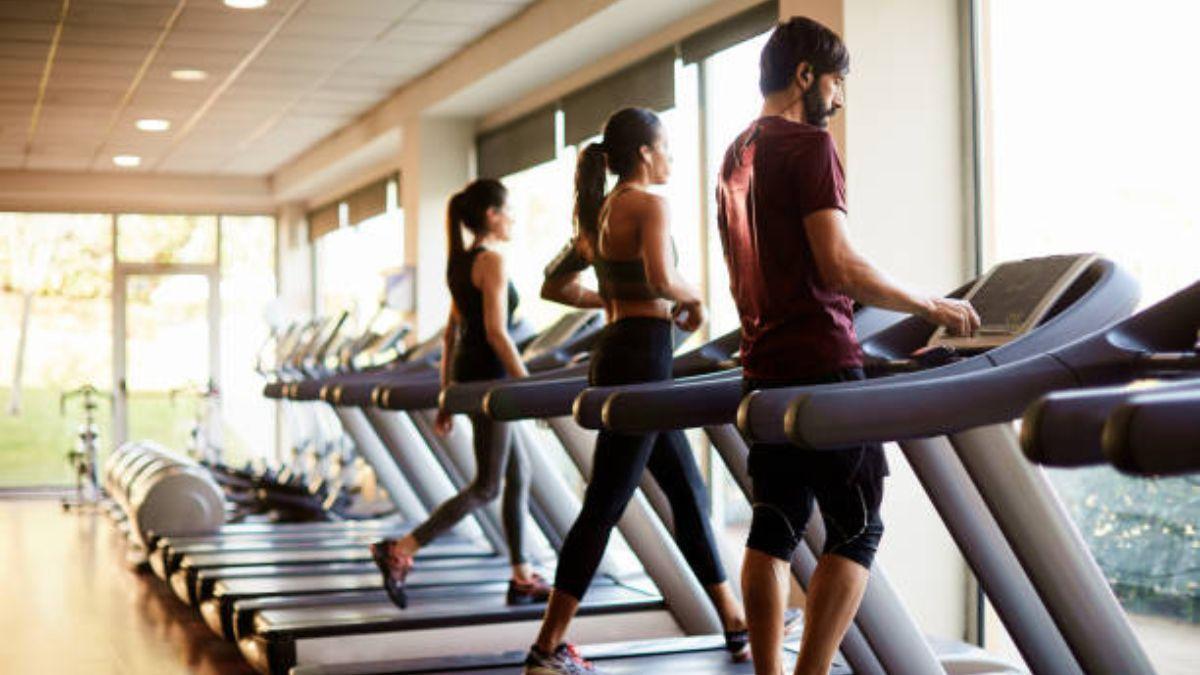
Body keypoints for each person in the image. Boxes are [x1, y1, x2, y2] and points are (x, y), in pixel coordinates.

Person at [716, 17, 981, 675]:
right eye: (836, 82)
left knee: (774, 525)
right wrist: (930, 304)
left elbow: (745, 267)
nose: (838, 98)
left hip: (764, 368)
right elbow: (836, 263)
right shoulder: (808, 146)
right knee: (857, 528)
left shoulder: (734, 154)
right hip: (823, 365)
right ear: (806, 74)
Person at [523, 108, 749, 675]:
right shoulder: (650, 203)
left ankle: (734, 622)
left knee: (688, 489)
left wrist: (610, 301)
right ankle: (546, 649)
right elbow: (660, 275)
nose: (671, 157)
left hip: (620, 348)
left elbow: (554, 285)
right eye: (667, 147)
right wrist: (693, 299)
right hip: (646, 356)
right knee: (604, 504)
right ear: (646, 153)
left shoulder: (597, 212)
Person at [370, 179, 551, 609]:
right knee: (488, 485)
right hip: (489, 378)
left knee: (518, 471)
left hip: (469, 378)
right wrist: (530, 388)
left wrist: (447, 394)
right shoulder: (491, 260)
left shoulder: (459, 262)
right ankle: (402, 548)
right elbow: (495, 332)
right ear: (491, 214)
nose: (512, 219)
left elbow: (452, 335)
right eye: (508, 211)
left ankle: (521, 574)